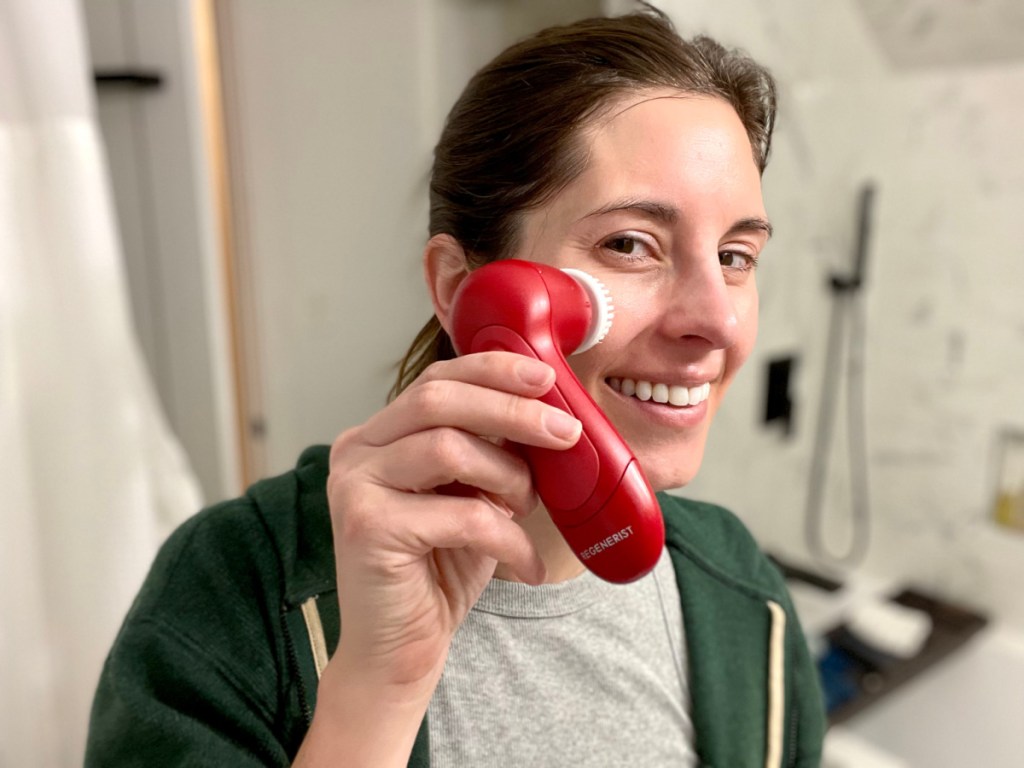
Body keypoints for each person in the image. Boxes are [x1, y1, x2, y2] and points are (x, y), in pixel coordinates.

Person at [86, 7, 825, 767]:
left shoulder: (743, 588)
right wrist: (377, 690)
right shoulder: (228, 588)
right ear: (463, 287)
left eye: (737, 256)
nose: (716, 321)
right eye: (630, 244)